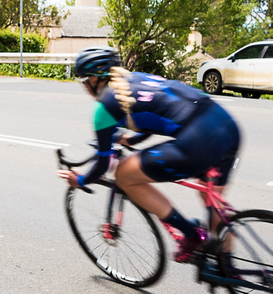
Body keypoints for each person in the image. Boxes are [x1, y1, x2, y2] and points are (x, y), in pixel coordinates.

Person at [58, 45, 241, 263]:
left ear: (94, 80)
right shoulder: (135, 79)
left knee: (124, 175)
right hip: (226, 126)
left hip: (197, 140)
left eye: (84, 81)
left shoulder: (104, 109)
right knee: (210, 198)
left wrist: (80, 180)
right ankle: (229, 264)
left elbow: (102, 165)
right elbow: (157, 113)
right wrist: (132, 139)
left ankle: (192, 235)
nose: (84, 87)